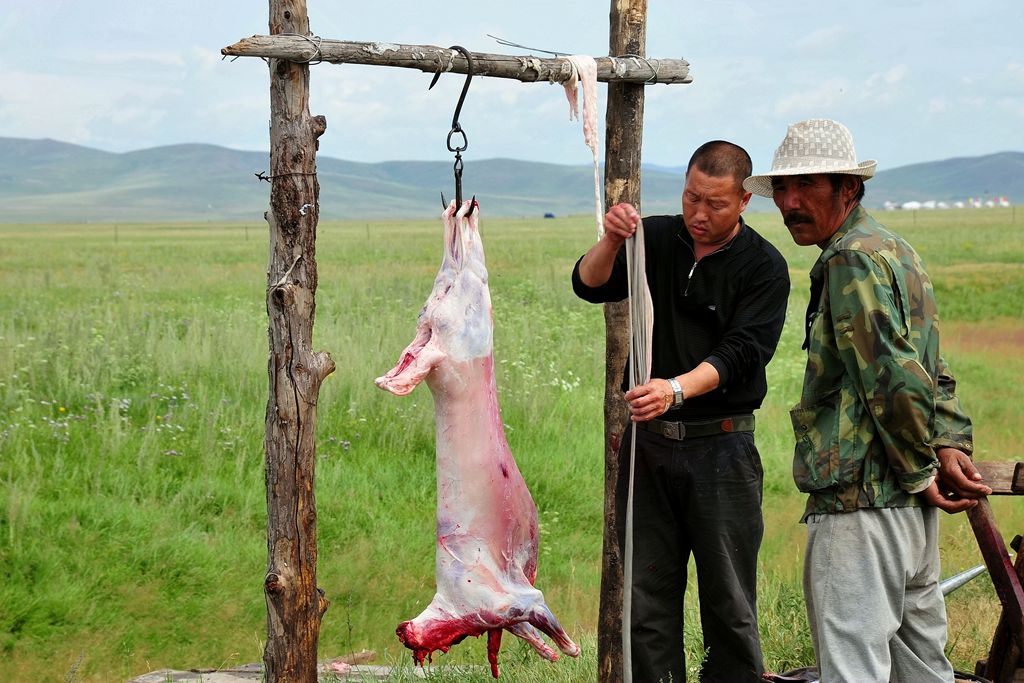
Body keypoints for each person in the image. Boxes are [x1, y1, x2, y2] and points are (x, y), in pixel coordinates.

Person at [743, 118, 992, 682]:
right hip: (908, 511)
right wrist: (946, 445)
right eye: (782, 188)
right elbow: (932, 366)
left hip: (863, 505)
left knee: (854, 670)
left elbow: (893, 379)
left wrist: (918, 469)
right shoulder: (894, 249)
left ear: (848, 188)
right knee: (923, 670)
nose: (789, 202)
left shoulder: (848, 260)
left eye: (807, 186)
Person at [572, 141, 790, 682]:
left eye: (714, 204)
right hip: (649, 448)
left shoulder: (764, 266)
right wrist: (611, 238)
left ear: (744, 200)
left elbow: (743, 353)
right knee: (647, 600)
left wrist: (675, 389)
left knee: (728, 602)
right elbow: (588, 284)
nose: (698, 214)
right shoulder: (656, 238)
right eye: (691, 197)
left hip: (722, 448)